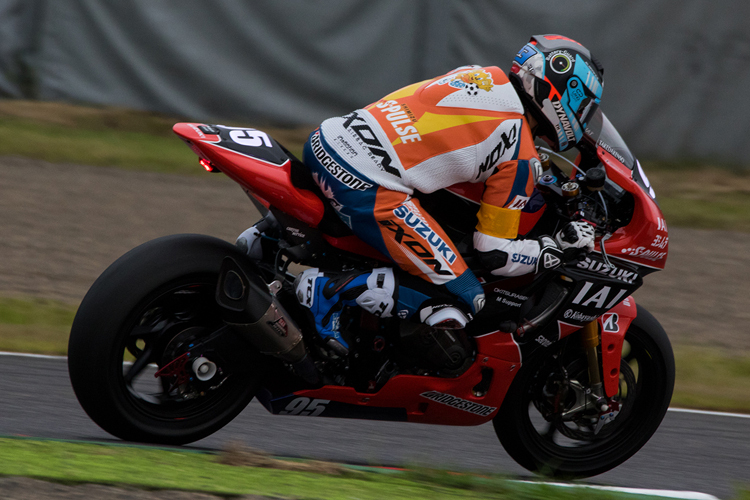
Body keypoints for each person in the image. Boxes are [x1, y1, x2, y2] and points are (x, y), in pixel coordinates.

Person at [238, 35, 603, 353]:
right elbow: (495, 253)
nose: (583, 119)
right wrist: (555, 249)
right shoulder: (520, 156)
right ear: (563, 94)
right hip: (366, 184)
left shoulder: (481, 76)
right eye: (584, 108)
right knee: (467, 294)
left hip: (327, 141)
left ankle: (266, 238)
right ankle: (327, 292)